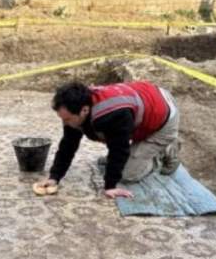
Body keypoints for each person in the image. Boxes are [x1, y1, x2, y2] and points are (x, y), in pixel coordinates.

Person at [35, 80, 181, 200]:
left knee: (128, 174)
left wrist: (110, 186)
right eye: (62, 119)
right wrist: (54, 177)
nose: (65, 123)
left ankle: (166, 149)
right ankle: (143, 150)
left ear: (84, 110)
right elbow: (68, 144)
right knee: (115, 151)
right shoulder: (76, 108)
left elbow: (119, 150)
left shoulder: (112, 115)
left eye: (67, 119)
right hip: (148, 102)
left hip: (164, 118)